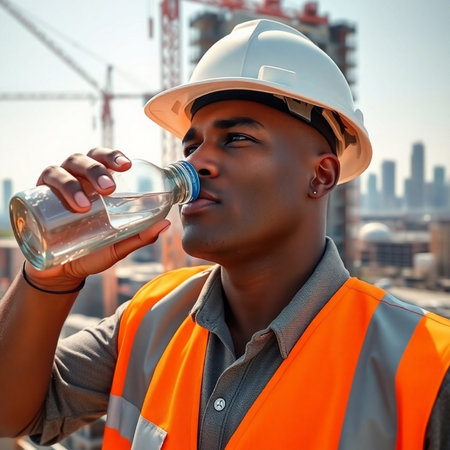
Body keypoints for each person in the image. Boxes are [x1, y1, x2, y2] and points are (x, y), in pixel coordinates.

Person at [0, 19, 449, 450]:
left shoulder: (428, 366)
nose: (197, 163)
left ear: (321, 175)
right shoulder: (150, 318)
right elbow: (11, 413)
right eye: (191, 146)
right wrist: (48, 280)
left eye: (237, 139)